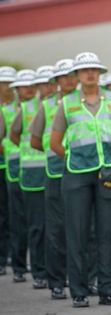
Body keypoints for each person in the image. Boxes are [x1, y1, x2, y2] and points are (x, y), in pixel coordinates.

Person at [50, 52, 111, 307]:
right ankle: (80, 292)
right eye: (84, 71)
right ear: (77, 76)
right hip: (77, 176)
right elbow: (54, 143)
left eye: (94, 69)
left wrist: (110, 158)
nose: (90, 74)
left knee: (107, 233)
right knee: (77, 233)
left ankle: (107, 290)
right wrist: (76, 158)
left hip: (107, 174)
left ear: (100, 73)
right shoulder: (67, 103)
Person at [29, 58, 78, 299]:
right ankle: (57, 281)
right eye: (64, 77)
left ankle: (84, 278)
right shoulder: (48, 106)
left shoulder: (86, 101)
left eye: (72, 75)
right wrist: (57, 153)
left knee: (82, 228)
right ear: (56, 82)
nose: (69, 80)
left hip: (83, 172)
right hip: (57, 172)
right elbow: (35, 140)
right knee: (56, 230)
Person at [10, 66, 57, 291]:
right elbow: (13, 134)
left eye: (51, 83)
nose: (48, 87)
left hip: (56, 172)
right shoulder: (28, 109)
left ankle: (56, 270)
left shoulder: (59, 106)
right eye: (44, 84)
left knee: (55, 226)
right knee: (37, 226)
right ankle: (39, 272)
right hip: (32, 174)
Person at [4, 69, 36, 284]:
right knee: (15, 220)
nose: (28, 90)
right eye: (23, 86)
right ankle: (18, 265)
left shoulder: (36, 108)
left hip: (34, 169)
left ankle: (37, 264)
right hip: (14, 168)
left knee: (35, 222)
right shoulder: (6, 111)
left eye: (30, 86)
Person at [0, 66, 15, 277]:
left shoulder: (20, 108)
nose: (6, 88)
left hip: (14, 166)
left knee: (14, 215)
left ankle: (13, 254)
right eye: (4, 84)